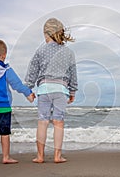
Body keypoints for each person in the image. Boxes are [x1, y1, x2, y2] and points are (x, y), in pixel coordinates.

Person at [25, 18, 78, 163]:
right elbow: (73, 74)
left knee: (42, 122)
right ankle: (57, 156)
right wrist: (72, 92)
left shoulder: (40, 50)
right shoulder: (69, 52)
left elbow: (32, 71)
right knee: (58, 122)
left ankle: (40, 156)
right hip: (61, 90)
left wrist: (28, 88)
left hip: (44, 89)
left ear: (46, 34)